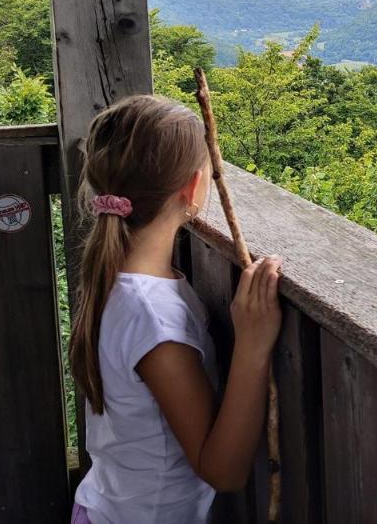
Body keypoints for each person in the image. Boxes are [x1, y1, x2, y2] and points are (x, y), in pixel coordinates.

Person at [68, 94, 283, 524]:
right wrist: (253, 346)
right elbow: (222, 472)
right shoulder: (153, 319)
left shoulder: (116, 277)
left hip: (107, 507)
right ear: (192, 188)